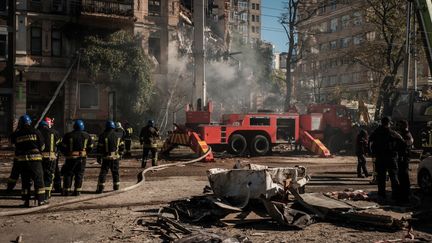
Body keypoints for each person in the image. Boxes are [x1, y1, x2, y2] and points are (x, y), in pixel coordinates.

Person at [10, 115, 47, 207]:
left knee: (25, 181)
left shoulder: (17, 133)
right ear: (30, 122)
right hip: (35, 160)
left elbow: (13, 144)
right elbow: (42, 146)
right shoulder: (36, 131)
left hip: (22, 160)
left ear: (20, 123)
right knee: (38, 180)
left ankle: (26, 201)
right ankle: (41, 200)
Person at [369, 117, 405, 201]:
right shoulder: (392, 133)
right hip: (391, 158)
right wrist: (399, 153)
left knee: (381, 178)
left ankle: (381, 195)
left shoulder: (375, 132)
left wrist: (373, 153)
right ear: (389, 123)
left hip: (380, 158)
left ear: (381, 123)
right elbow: (402, 142)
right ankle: (395, 195)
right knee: (393, 177)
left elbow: (370, 143)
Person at [60, 120, 93, 196]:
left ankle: (66, 191)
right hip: (82, 158)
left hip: (70, 158)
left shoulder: (68, 135)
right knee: (79, 174)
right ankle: (77, 191)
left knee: (68, 174)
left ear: (74, 126)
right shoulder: (87, 135)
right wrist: (86, 153)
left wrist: (66, 154)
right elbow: (90, 147)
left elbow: (62, 147)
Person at [96, 121, 125, 193]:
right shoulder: (118, 135)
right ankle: (116, 187)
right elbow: (122, 146)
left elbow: (99, 148)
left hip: (106, 158)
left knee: (103, 172)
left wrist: (99, 158)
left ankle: (100, 188)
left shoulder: (102, 135)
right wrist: (120, 154)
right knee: (115, 172)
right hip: (115, 158)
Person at [38, 117, 62, 199]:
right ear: (48, 124)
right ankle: (47, 194)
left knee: (40, 175)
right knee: (49, 175)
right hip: (51, 157)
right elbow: (59, 144)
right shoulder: (54, 132)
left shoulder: (37, 132)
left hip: (39, 158)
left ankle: (39, 193)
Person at [396, 120, 414, 203]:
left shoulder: (406, 135)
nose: (398, 127)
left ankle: (406, 195)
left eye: (400, 125)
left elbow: (407, 144)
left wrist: (400, 139)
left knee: (404, 176)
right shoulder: (404, 134)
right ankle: (404, 194)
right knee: (401, 176)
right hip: (402, 157)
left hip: (404, 158)